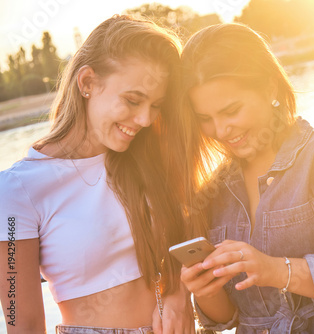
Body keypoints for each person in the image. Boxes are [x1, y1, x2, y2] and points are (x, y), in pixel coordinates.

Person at [178, 23, 314, 333]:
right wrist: (206, 290)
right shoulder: (215, 191)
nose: (220, 130)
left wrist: (277, 270)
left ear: (270, 88)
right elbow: (228, 317)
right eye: (205, 119)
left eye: (231, 110)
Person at [0, 15, 194, 334]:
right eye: (132, 100)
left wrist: (178, 296)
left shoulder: (148, 153)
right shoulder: (14, 191)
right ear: (87, 82)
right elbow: (24, 323)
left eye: (155, 104)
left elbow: (189, 241)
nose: (145, 118)